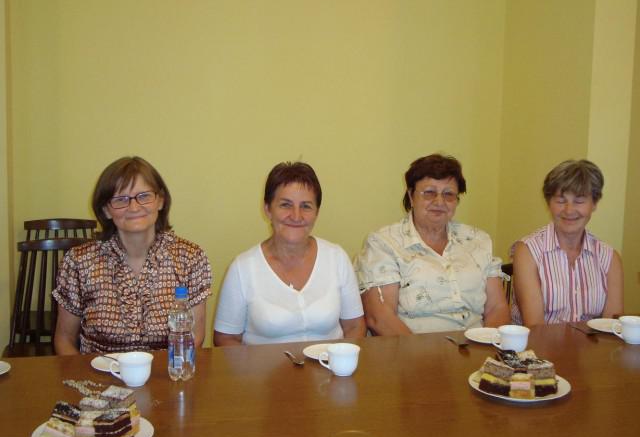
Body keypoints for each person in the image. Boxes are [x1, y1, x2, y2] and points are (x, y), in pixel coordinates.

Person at [53, 156, 212, 354]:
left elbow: (195, 336)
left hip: (167, 369)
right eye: (121, 200)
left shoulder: (190, 258)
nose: (134, 208)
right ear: (106, 210)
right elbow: (64, 339)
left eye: (144, 196)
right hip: (96, 370)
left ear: (160, 201)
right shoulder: (79, 261)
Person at [354, 154, 510, 335]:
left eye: (448, 194)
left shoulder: (478, 240)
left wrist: (487, 345)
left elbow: (497, 308)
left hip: (477, 345)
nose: (439, 202)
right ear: (411, 196)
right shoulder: (384, 243)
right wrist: (420, 351)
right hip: (413, 346)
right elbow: (380, 318)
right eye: (429, 193)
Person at [214, 162, 365, 345]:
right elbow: (226, 338)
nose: (296, 216)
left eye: (306, 206)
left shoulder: (337, 258)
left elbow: (355, 326)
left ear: (317, 212)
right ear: (268, 209)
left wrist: (341, 359)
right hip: (264, 365)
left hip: (328, 363)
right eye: (285, 205)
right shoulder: (242, 268)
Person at [512, 159, 623, 326]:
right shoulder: (528, 251)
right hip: (539, 342)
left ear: (594, 204)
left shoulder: (609, 258)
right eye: (560, 201)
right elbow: (535, 328)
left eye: (579, 201)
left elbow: (611, 328)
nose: (569, 210)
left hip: (592, 343)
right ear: (548, 203)